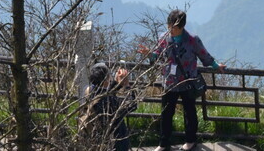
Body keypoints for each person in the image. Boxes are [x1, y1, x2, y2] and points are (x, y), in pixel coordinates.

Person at [146, 9, 225, 151]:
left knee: (190, 112)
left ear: (181, 27)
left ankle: (190, 141)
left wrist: (216, 66)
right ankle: (163, 143)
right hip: (169, 83)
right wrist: (149, 54)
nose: (170, 29)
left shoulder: (192, 40)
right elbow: (156, 55)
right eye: (169, 26)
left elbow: (204, 56)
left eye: (174, 27)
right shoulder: (164, 38)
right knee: (166, 113)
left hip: (188, 82)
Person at [80, 62, 137, 151]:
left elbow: (105, 93)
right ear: (106, 80)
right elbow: (132, 105)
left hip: (97, 140)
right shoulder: (110, 102)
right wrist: (127, 85)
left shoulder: (89, 92)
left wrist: (116, 83)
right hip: (115, 143)